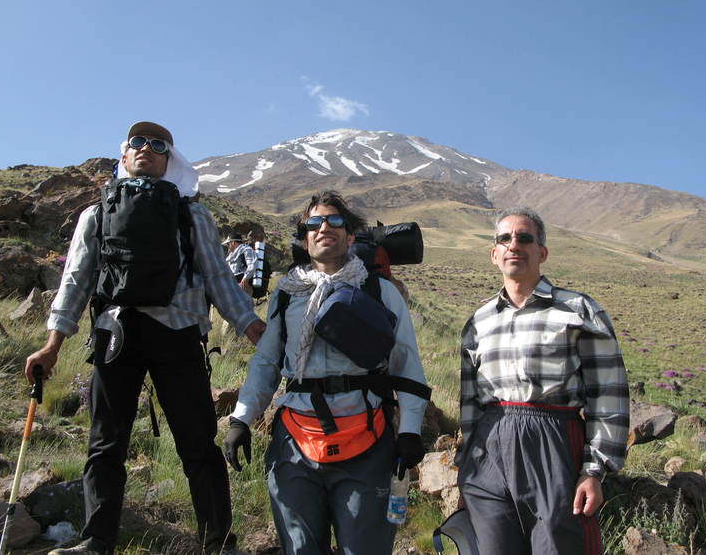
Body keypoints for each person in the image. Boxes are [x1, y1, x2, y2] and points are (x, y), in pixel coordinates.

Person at [26, 121, 265, 555]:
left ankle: (219, 544)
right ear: (124, 154)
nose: (147, 149)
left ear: (169, 161)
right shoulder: (97, 212)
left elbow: (217, 276)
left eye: (159, 146)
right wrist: (52, 344)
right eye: (137, 142)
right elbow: (75, 280)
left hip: (170, 334)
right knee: (106, 444)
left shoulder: (191, 213)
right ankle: (96, 543)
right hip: (120, 332)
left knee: (195, 443)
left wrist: (250, 325)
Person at [224, 191, 430, 555]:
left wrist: (411, 430)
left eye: (335, 221)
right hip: (295, 443)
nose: (324, 228)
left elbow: (406, 363)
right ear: (304, 236)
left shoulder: (379, 290)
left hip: (366, 436)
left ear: (351, 235)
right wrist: (242, 419)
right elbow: (267, 362)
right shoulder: (286, 294)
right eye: (314, 223)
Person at [457, 206, 629, 555]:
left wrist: (594, 471)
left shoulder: (579, 310)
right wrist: (467, 465)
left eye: (524, 238)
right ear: (494, 254)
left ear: (542, 252)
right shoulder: (479, 321)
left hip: (554, 442)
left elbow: (608, 394)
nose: (513, 245)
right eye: (504, 239)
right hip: (489, 448)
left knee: (557, 545)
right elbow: (469, 401)